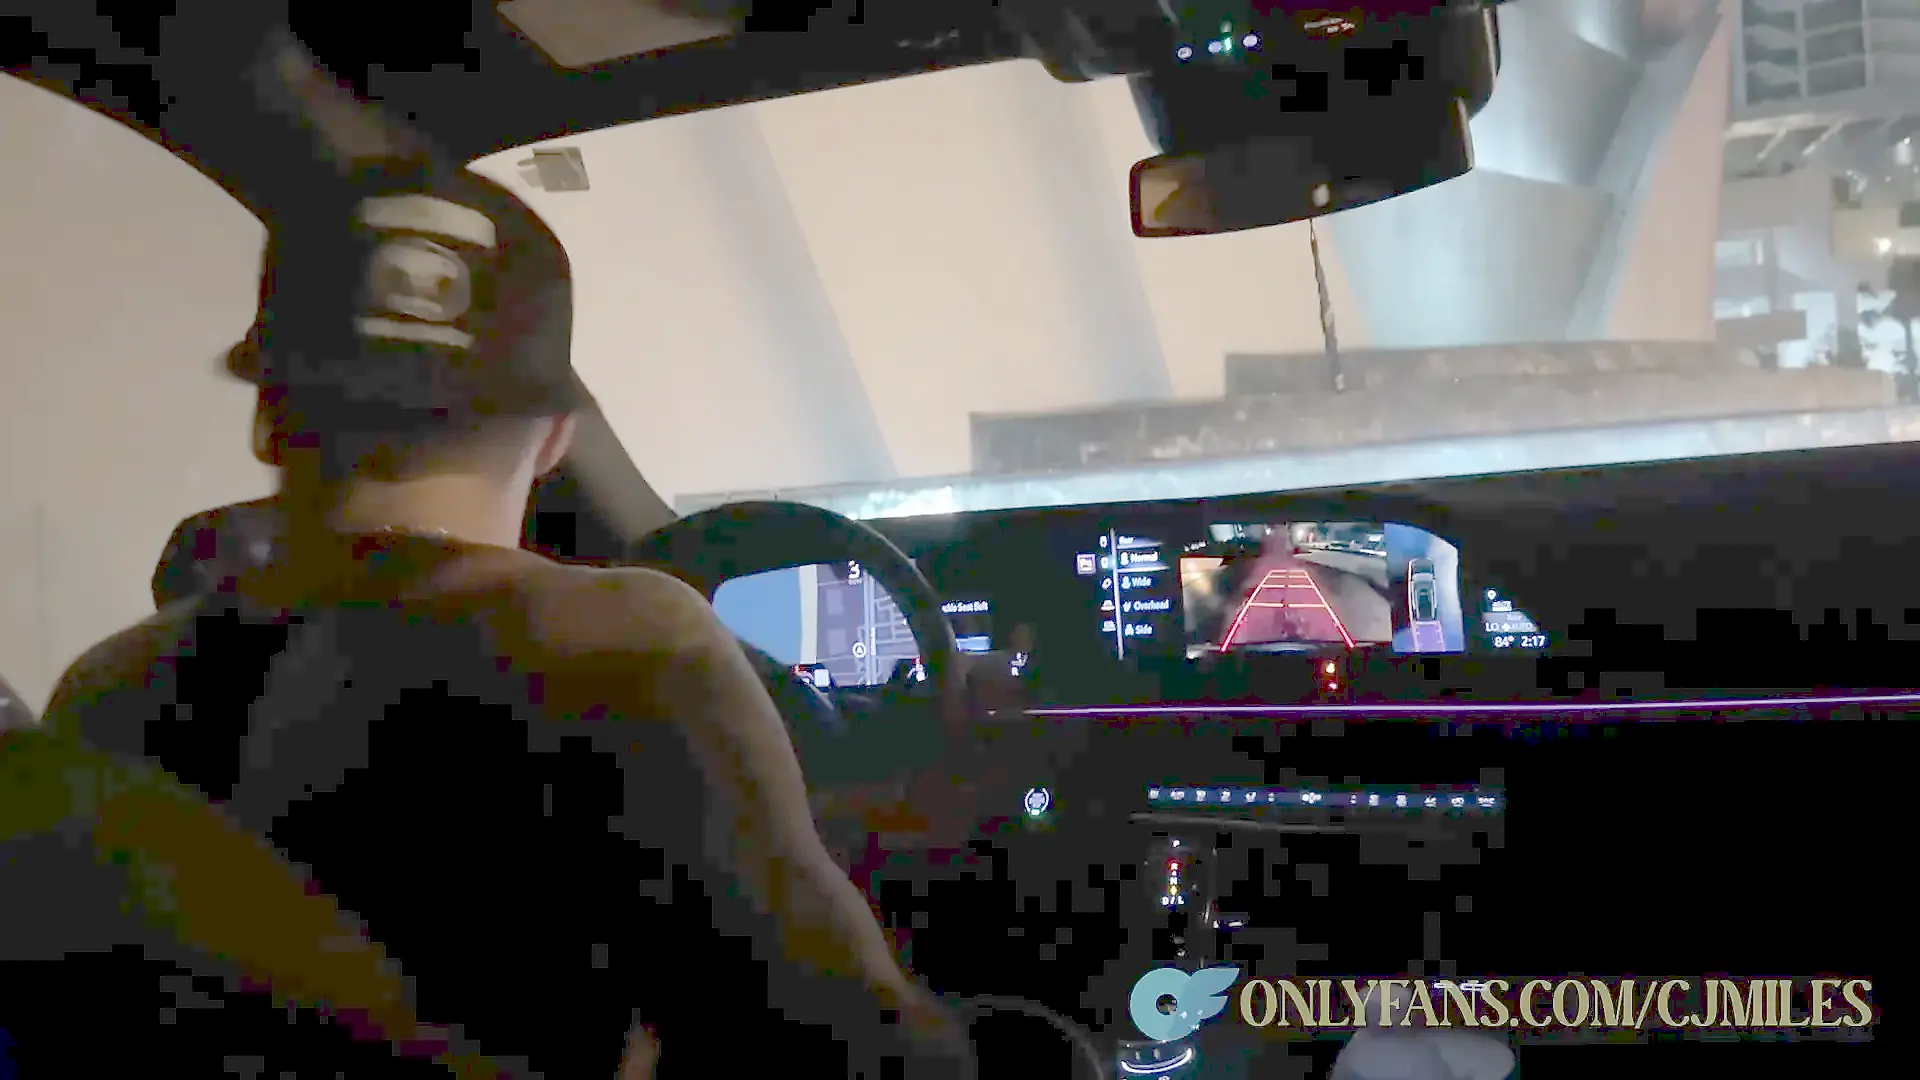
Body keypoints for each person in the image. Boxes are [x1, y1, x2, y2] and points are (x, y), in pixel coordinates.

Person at [30, 32, 975, 1079]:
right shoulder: (628, 646)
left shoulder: (108, 690)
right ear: (556, 437)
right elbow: (844, 1048)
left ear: (267, 417)